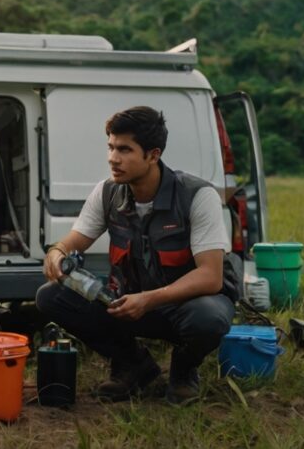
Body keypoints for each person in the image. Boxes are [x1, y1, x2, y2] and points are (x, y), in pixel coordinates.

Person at [36, 106, 240, 405]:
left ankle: (184, 371)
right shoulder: (107, 192)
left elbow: (211, 276)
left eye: (124, 149)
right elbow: (70, 242)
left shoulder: (197, 195)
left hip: (181, 306)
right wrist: (56, 254)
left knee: (208, 317)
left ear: (153, 155)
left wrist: (149, 299)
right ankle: (133, 365)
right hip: (127, 303)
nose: (113, 158)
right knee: (50, 296)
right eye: (110, 147)